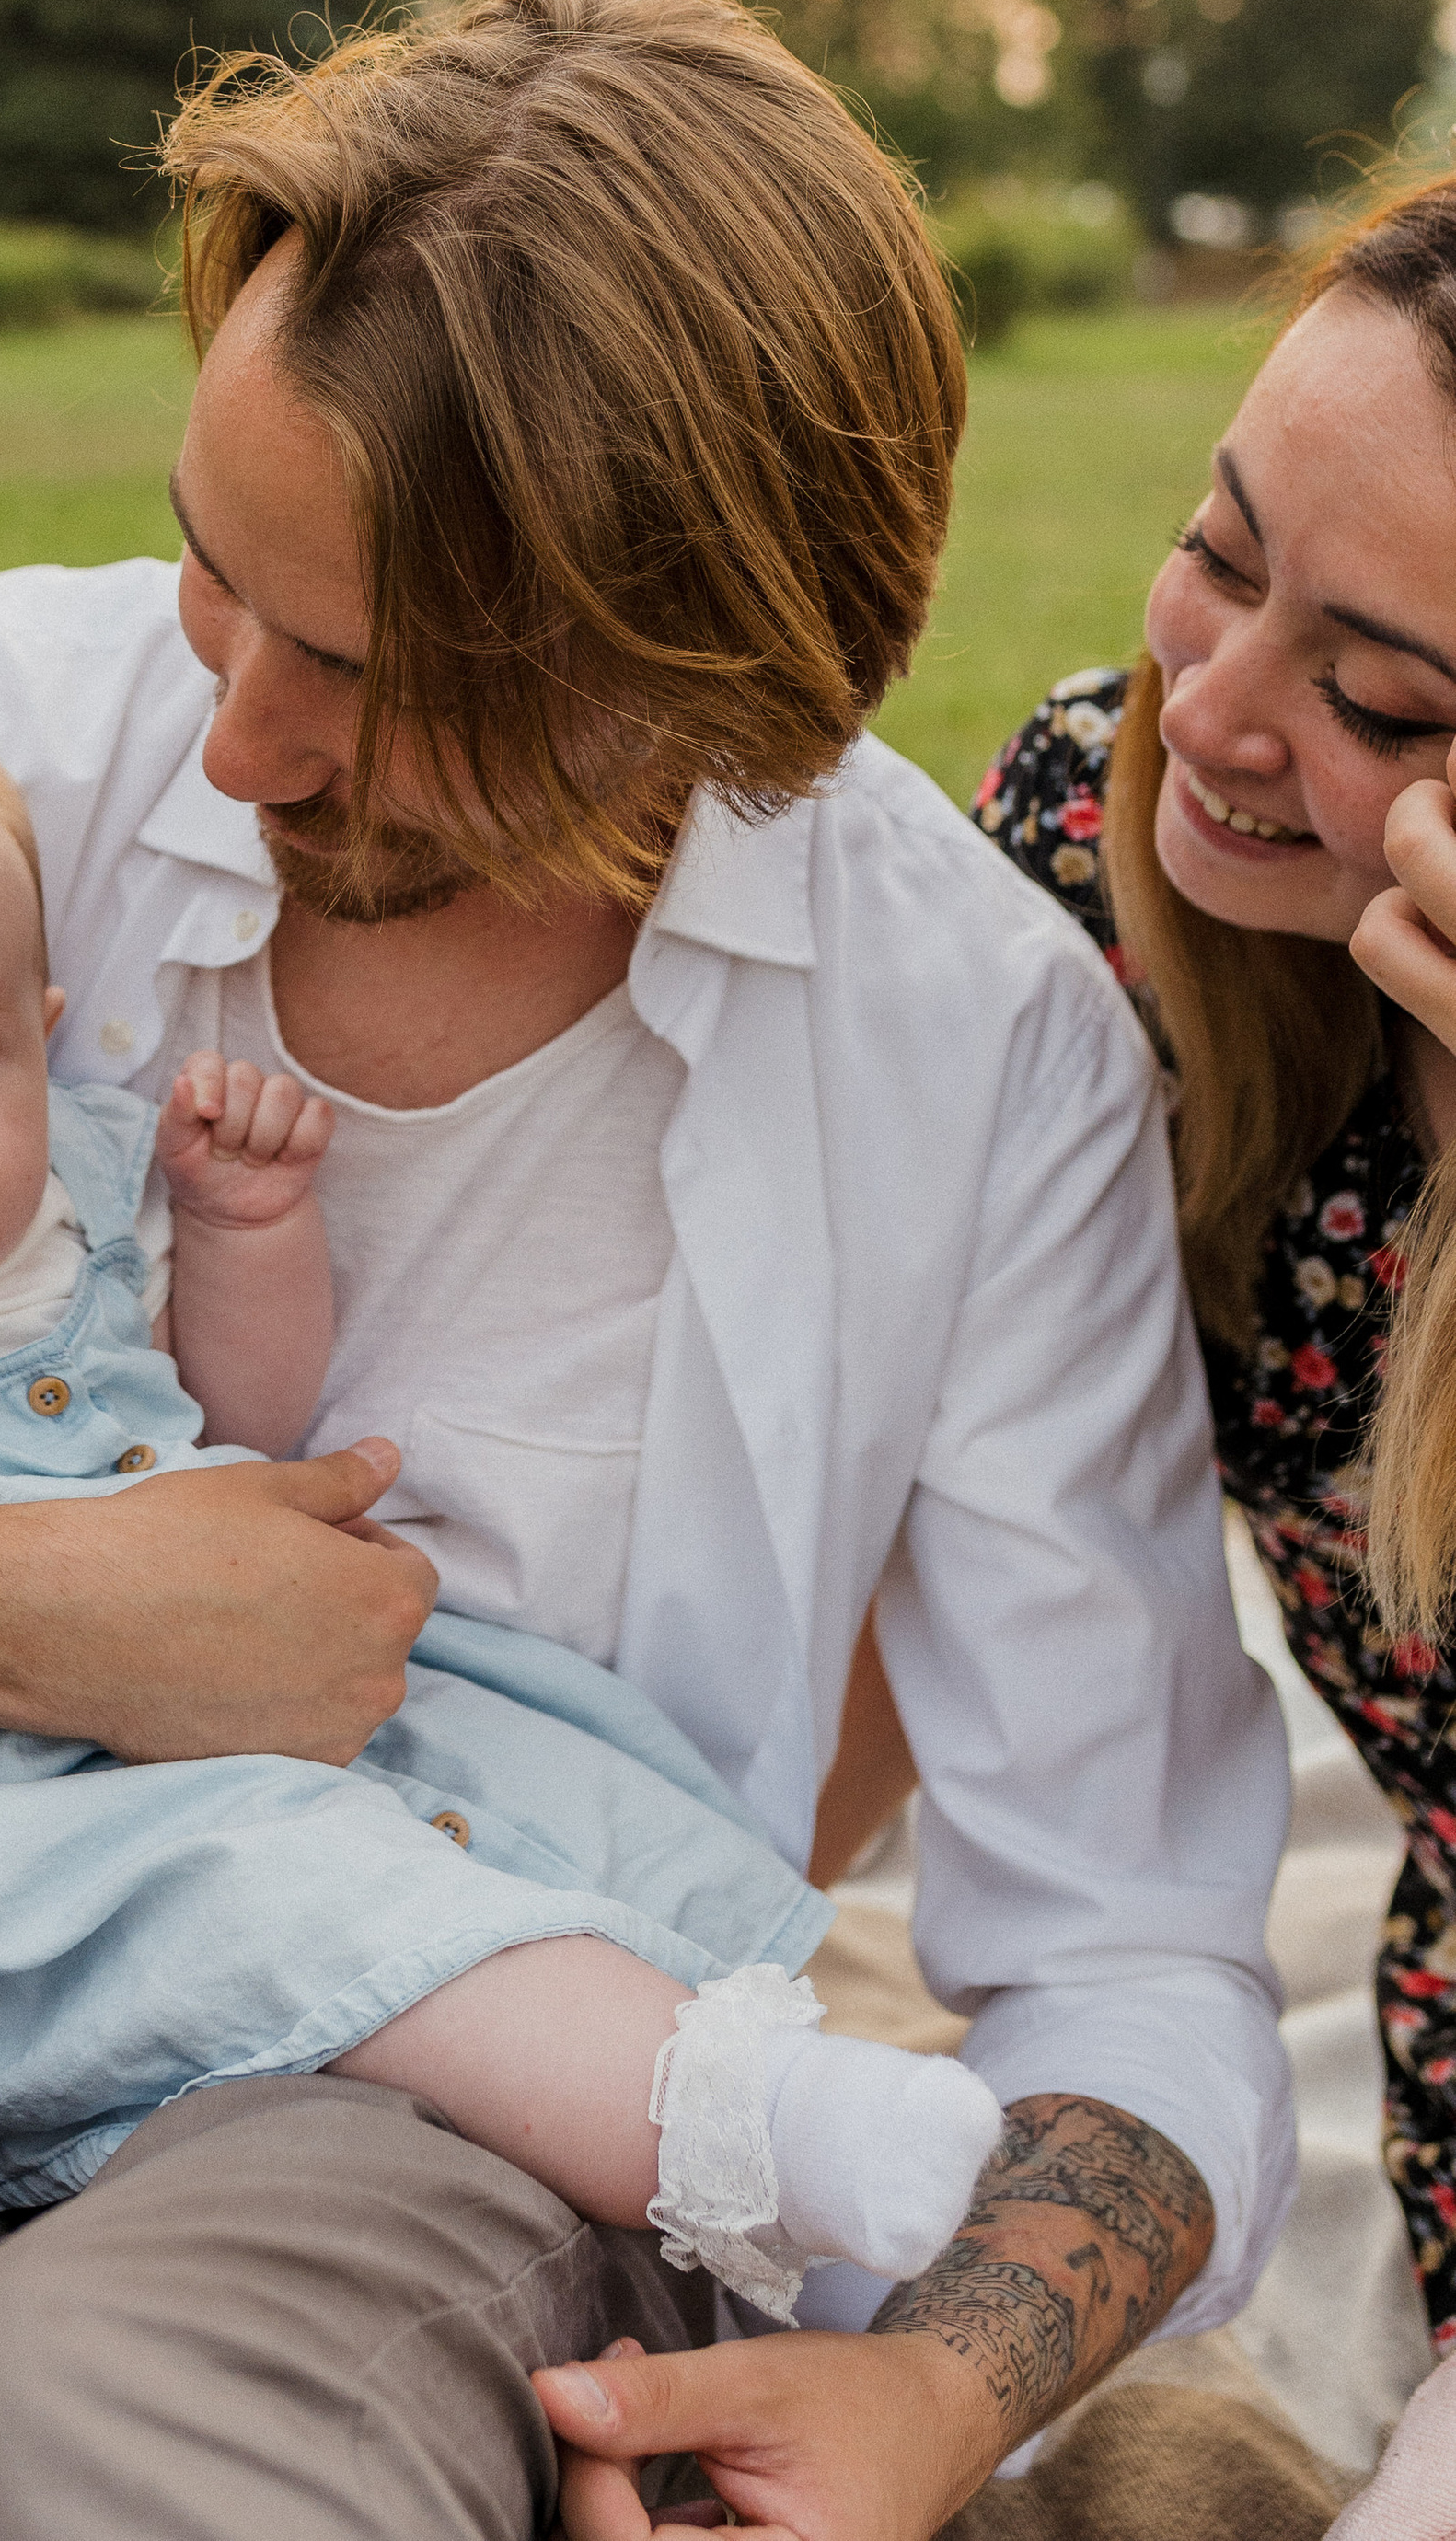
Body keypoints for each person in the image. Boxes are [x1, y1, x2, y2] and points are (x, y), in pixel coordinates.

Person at [0, 0, 1293, 2541]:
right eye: (214, 570)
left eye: (376, 675)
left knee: (65, 2417)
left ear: (721, 675)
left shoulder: (973, 1057)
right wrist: (62, 1617)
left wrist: (931, 2404)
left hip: (391, 2106)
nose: (242, 741)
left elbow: (1137, 1960)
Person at [0, 661, 997, 2304]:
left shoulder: (65, 1206)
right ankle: (732, 2125)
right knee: (307, 1902)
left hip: (171, 1755)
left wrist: (244, 1234)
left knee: (451, 1841)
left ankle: (743, 2084)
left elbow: (234, 1423)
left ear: (40, 1039)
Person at [539, 170, 1456, 2535]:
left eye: (1378, 699)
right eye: (1214, 551)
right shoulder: (1090, 852)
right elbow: (869, 1550)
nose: (1217, 714)